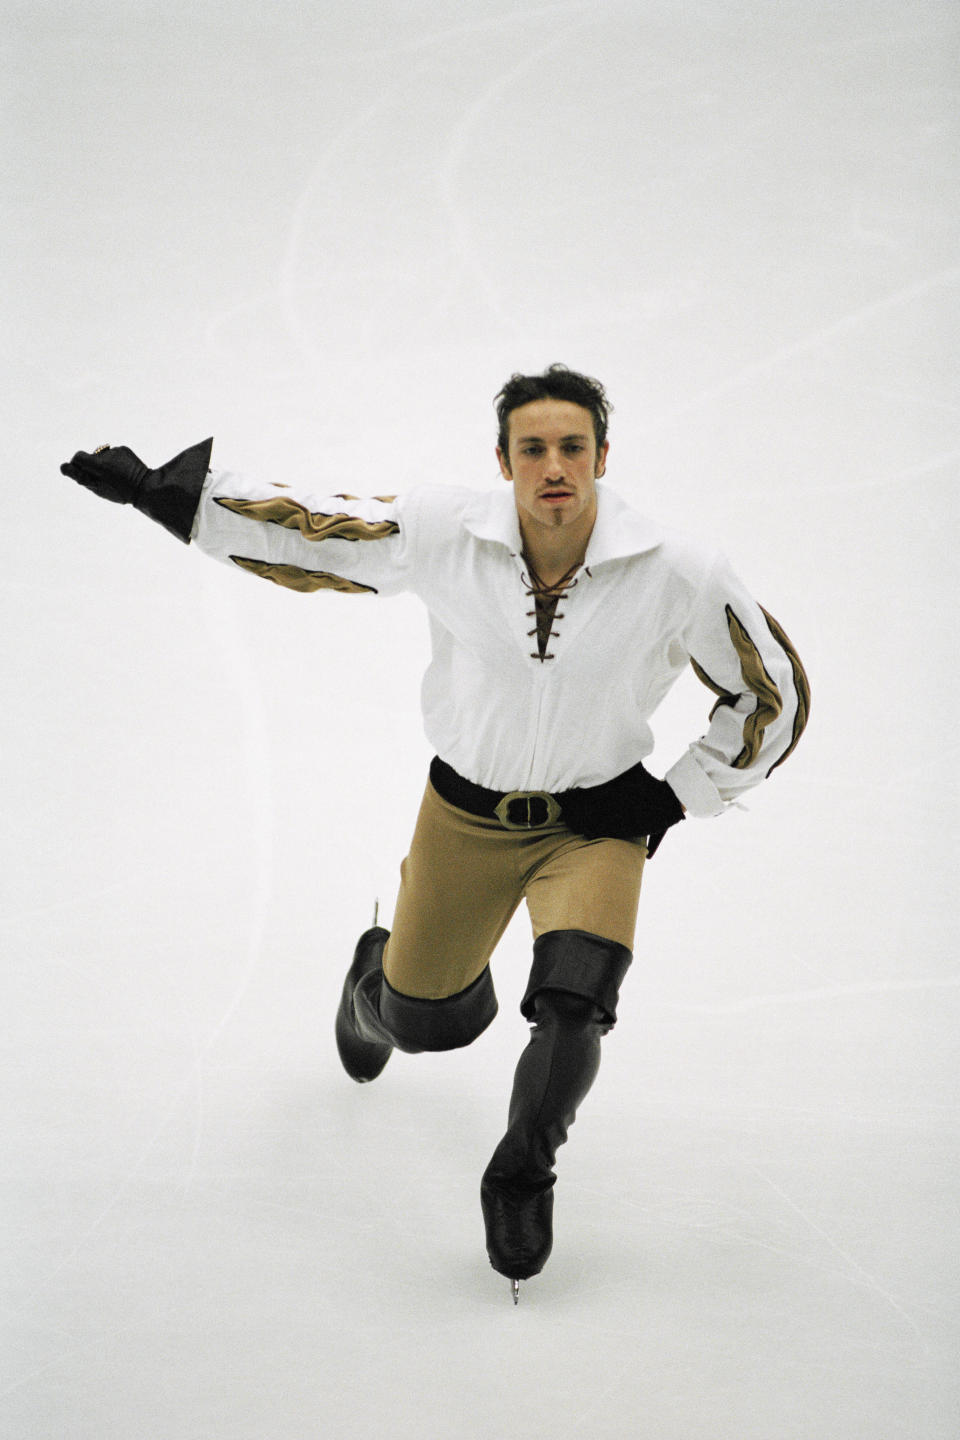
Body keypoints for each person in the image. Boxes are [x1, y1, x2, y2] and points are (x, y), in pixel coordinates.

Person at [60, 363, 810, 1301]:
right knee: (431, 1022)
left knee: (576, 997)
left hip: (595, 825)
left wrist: (670, 798)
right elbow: (324, 534)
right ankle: (373, 982)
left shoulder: (678, 571)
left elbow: (771, 690)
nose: (554, 468)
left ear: (603, 457)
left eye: (573, 448)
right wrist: (177, 497)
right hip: (465, 815)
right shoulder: (446, 533)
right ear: (501, 461)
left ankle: (522, 1171)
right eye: (532, 448)